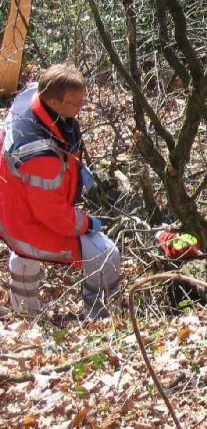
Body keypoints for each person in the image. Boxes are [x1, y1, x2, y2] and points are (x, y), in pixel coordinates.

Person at [0, 64, 119, 320]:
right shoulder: (38, 154)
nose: (83, 106)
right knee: (106, 253)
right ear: (54, 101)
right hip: (22, 222)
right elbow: (52, 215)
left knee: (23, 258)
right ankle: (98, 317)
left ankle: (24, 313)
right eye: (76, 103)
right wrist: (87, 223)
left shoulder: (31, 96)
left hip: (11, 200)